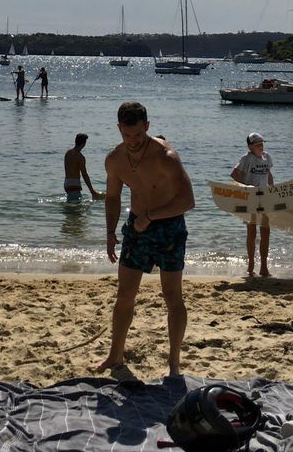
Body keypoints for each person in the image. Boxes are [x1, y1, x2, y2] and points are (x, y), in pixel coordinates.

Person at [95, 101, 195, 379]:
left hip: (169, 228)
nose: (133, 142)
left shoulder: (166, 157)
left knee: (172, 296)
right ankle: (115, 355)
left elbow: (188, 200)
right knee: (125, 295)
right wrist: (110, 232)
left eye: (138, 135)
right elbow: (113, 197)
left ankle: (174, 363)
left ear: (147, 127)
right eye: (127, 136)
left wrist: (151, 215)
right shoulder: (115, 159)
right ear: (119, 129)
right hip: (136, 228)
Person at [230, 132, 273, 277]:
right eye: (257, 145)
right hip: (251, 198)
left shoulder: (267, 157)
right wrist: (244, 187)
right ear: (250, 147)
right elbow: (234, 173)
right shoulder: (246, 158)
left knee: (266, 231)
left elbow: (269, 174)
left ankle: (264, 267)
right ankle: (251, 265)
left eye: (262, 143)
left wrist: (272, 190)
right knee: (252, 232)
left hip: (265, 197)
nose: (260, 146)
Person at [64, 133, 101, 203]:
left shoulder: (68, 153)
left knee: (71, 204)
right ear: (84, 143)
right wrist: (92, 191)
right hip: (74, 184)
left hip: (67, 183)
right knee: (76, 208)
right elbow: (84, 174)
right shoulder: (80, 157)